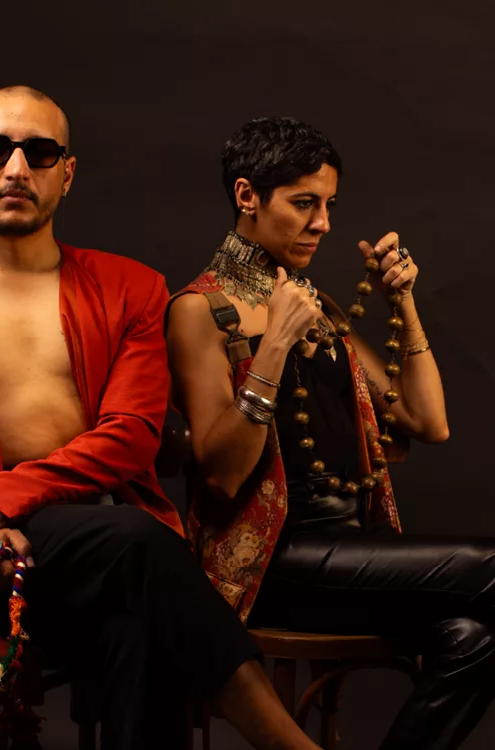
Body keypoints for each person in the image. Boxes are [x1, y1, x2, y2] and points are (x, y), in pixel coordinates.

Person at [0, 87, 324, 750]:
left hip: (94, 535)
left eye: (40, 153)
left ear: (66, 174)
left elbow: (131, 436)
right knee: (143, 562)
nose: (16, 168)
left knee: (140, 607)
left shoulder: (131, 288)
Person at [166, 116, 495, 750]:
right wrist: (273, 347)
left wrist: (404, 302)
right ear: (246, 196)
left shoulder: (312, 304)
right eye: (304, 204)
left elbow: (428, 422)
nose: (323, 224)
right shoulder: (200, 310)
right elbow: (222, 476)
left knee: (474, 639)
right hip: (273, 564)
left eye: (329, 206)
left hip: (350, 553)